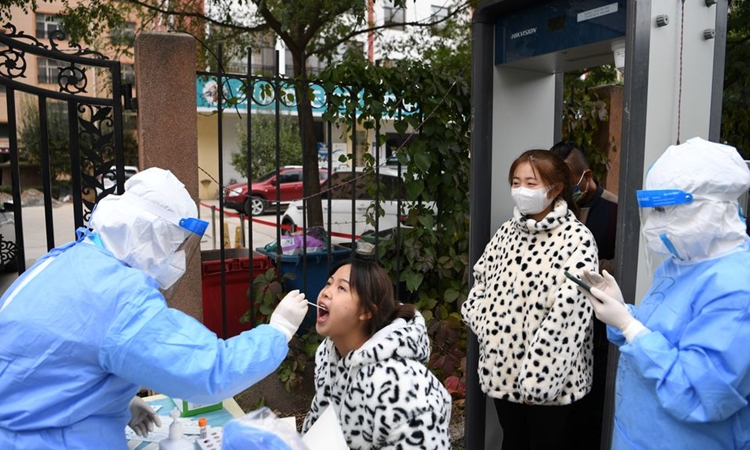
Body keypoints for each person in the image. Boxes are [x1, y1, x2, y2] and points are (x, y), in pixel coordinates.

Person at [0, 167, 309, 449]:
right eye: (175, 245)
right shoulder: (120, 296)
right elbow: (209, 372)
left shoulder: (68, 259)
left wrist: (114, 403)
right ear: (150, 233)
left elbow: (54, 364)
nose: (176, 259)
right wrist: (277, 331)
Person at [579, 137, 750, 449]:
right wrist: (623, 313)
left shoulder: (737, 288)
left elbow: (701, 395)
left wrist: (630, 328)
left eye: (665, 210)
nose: (655, 224)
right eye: (652, 210)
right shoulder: (683, 261)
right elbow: (662, 333)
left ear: (711, 208)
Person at [461, 149, 599, 450]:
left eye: (531, 183)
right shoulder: (507, 232)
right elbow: (480, 282)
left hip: (551, 380)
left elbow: (570, 314)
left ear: (556, 188)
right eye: (516, 182)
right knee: (512, 441)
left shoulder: (576, 238)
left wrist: (538, 379)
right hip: (503, 372)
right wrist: (489, 328)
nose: (521, 190)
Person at [302, 257, 452, 450]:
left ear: (366, 311)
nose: (326, 293)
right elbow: (317, 424)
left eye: (342, 288)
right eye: (329, 283)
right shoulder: (329, 358)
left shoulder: (403, 382)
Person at [550, 141, 618, 449]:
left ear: (586, 175)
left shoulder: (616, 212)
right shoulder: (556, 211)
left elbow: (623, 267)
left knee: (589, 418)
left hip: (598, 334)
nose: (563, 190)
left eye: (567, 182)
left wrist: (588, 268)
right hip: (560, 332)